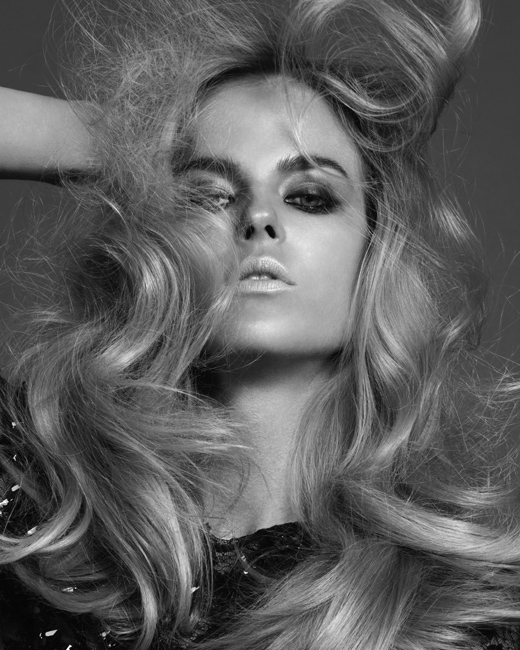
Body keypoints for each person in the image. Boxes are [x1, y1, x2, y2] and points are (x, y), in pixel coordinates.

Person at [1, 0, 520, 648]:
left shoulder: (463, 611)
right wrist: (120, 142)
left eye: (309, 197)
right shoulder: (45, 513)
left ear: (375, 253)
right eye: (209, 195)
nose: (258, 219)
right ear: (159, 246)